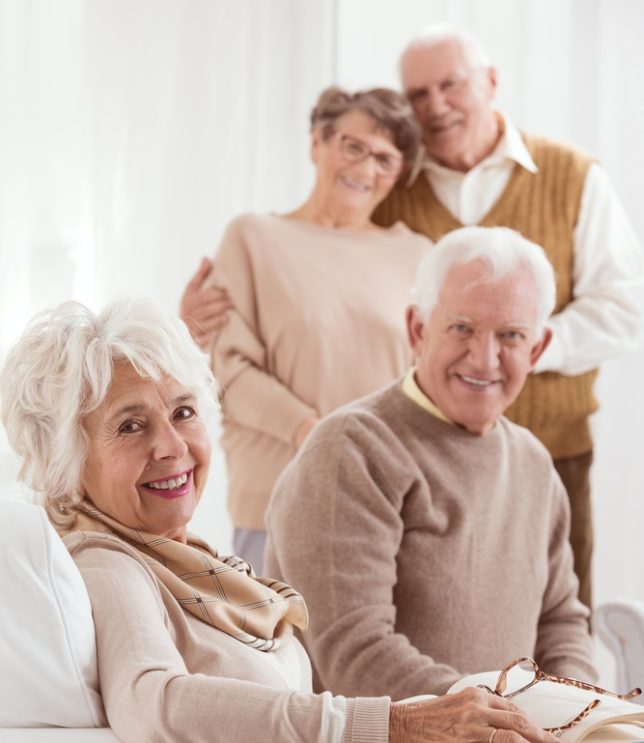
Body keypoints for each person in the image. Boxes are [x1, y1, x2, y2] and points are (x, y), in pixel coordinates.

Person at [0, 298, 561, 743]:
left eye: (183, 412)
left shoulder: (189, 559)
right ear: (71, 466)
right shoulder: (109, 564)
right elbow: (151, 702)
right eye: (130, 426)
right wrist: (392, 726)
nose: (172, 446)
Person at [372, 23, 644, 611]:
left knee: (556, 620)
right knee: (435, 621)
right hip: (420, 458)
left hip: (552, 449)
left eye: (451, 84)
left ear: (491, 82)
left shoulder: (572, 176)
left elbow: (624, 306)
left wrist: (510, 355)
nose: (436, 106)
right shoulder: (389, 188)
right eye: (418, 94)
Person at [265, 226, 597, 702]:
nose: (484, 359)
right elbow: (352, 654)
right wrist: (502, 722)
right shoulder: (349, 450)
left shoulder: (534, 464)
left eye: (510, 336)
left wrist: (579, 711)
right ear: (418, 330)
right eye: (462, 328)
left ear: (536, 349)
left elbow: (561, 620)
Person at [181, 87, 433, 572]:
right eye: (353, 146)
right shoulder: (253, 237)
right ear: (317, 142)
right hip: (277, 495)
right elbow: (227, 367)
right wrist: (313, 433)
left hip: (388, 500)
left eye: (385, 159)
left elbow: (425, 379)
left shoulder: (418, 254)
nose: (365, 168)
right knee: (277, 648)